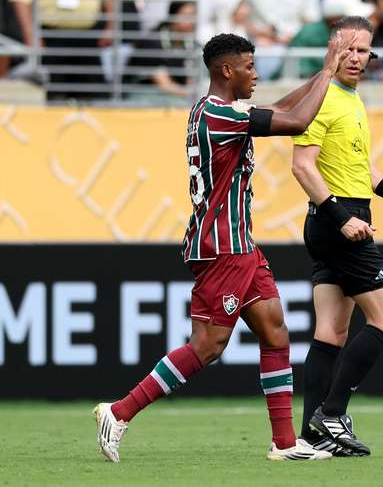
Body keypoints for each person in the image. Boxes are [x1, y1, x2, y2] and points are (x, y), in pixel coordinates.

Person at [93, 30, 356, 463]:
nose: (256, 74)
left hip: (238, 244)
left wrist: (320, 75)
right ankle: (119, 413)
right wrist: (328, 71)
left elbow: (281, 109)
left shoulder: (213, 110)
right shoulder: (221, 116)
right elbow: (296, 122)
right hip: (223, 246)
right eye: (250, 67)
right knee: (208, 346)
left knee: (274, 331)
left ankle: (285, 443)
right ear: (227, 70)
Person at [290, 16, 383, 456]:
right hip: (338, 220)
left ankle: (312, 436)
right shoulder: (323, 97)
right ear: (330, 50)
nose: (354, 57)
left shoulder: (351, 98)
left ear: (371, 56)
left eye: (362, 50)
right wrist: (341, 218)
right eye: (346, 48)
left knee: (331, 331)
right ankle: (332, 414)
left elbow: (358, 166)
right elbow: (302, 166)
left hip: (339, 217)